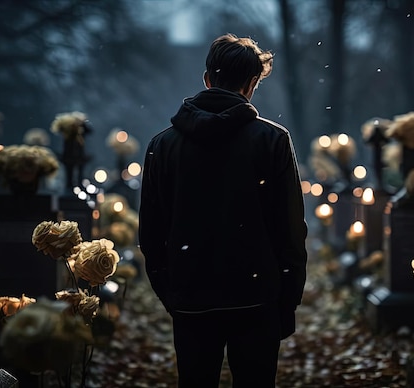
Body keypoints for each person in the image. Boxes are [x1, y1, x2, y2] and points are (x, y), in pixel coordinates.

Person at [138, 33, 308, 388]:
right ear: (251, 84)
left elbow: (151, 232)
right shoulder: (273, 140)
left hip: (191, 295)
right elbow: (290, 228)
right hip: (256, 297)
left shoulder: (162, 145)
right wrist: (287, 298)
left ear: (207, 79)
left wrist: (170, 291)